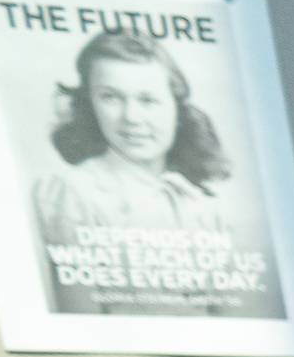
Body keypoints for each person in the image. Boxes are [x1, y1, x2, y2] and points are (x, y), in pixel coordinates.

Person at [30, 30, 240, 315]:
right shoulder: (73, 192)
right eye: (111, 98)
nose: (131, 117)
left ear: (176, 108)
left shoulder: (203, 202)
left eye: (148, 100)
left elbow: (232, 323)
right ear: (90, 104)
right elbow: (81, 327)